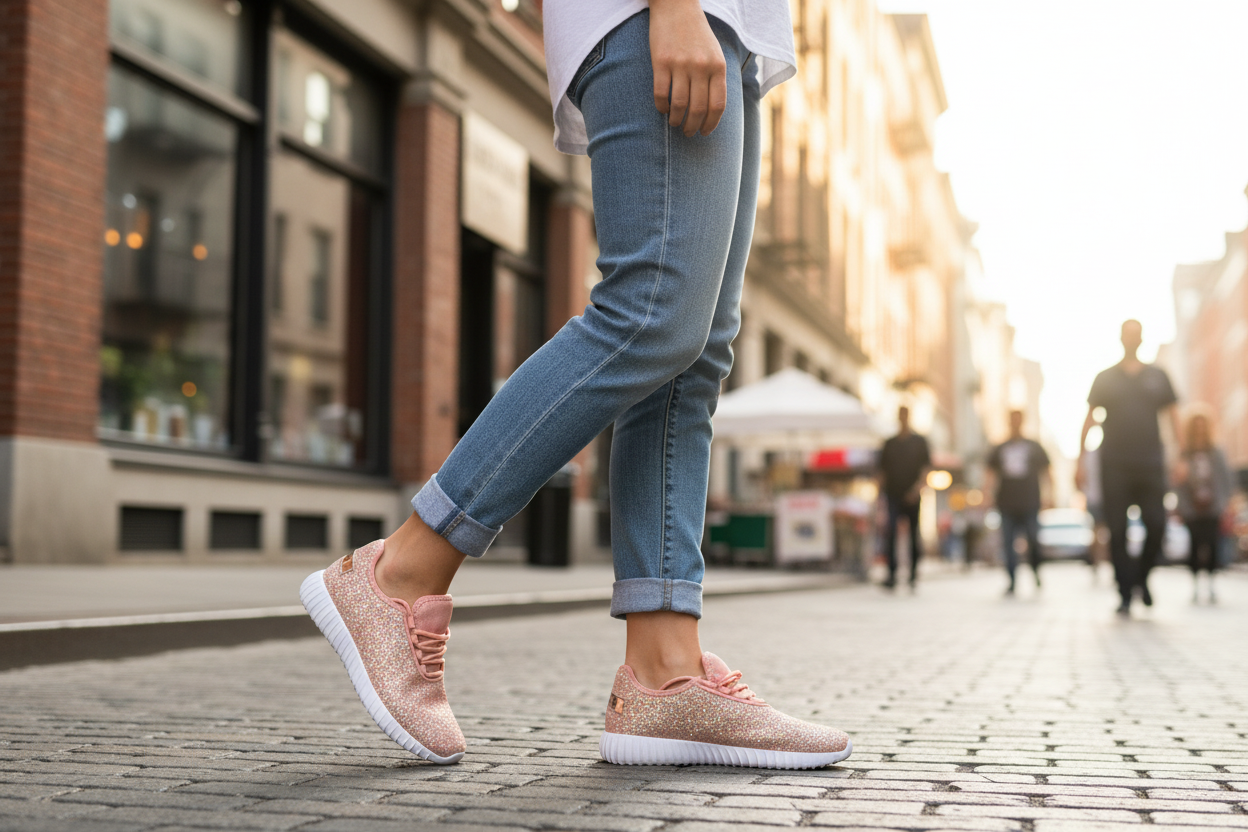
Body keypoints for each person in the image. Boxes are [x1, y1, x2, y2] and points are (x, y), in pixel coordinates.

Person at [298, 1, 852, 770]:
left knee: (691, 359)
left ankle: (667, 671)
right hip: (664, 14)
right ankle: (402, 571)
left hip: (737, 35)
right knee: (650, 313)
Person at [1077, 320, 1180, 615]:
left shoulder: (1158, 376)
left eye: (1136, 334)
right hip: (1115, 465)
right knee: (1118, 530)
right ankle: (1124, 591)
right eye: (1127, 334)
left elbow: (1173, 416)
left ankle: (1141, 577)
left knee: (1157, 524)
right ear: (1121, 339)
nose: (1132, 339)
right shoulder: (1105, 378)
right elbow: (1088, 419)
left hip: (1150, 464)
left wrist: (1181, 456)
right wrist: (1081, 461)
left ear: (1142, 339)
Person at [985, 409, 1052, 595]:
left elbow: (1047, 472)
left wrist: (1049, 495)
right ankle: (1012, 580)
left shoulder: (1034, 446)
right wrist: (986, 496)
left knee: (1033, 540)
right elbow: (990, 474)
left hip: (1030, 502)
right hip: (1006, 503)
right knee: (1008, 544)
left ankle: (1036, 572)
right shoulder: (1000, 447)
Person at [1172, 410, 1234, 604]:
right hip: (1192, 508)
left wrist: (1226, 505)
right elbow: (1177, 483)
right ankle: (1196, 584)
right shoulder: (1184, 454)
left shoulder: (1216, 452)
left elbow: (1226, 480)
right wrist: (1180, 507)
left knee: (1213, 544)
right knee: (1195, 544)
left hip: (1213, 507)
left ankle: (1212, 583)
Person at [878, 406, 931, 589]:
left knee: (913, 535)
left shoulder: (919, 441)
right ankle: (891, 574)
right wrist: (880, 496)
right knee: (891, 533)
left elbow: (926, 468)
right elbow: (882, 471)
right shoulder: (890, 443)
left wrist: (916, 490)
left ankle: (913, 574)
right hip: (893, 494)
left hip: (913, 496)